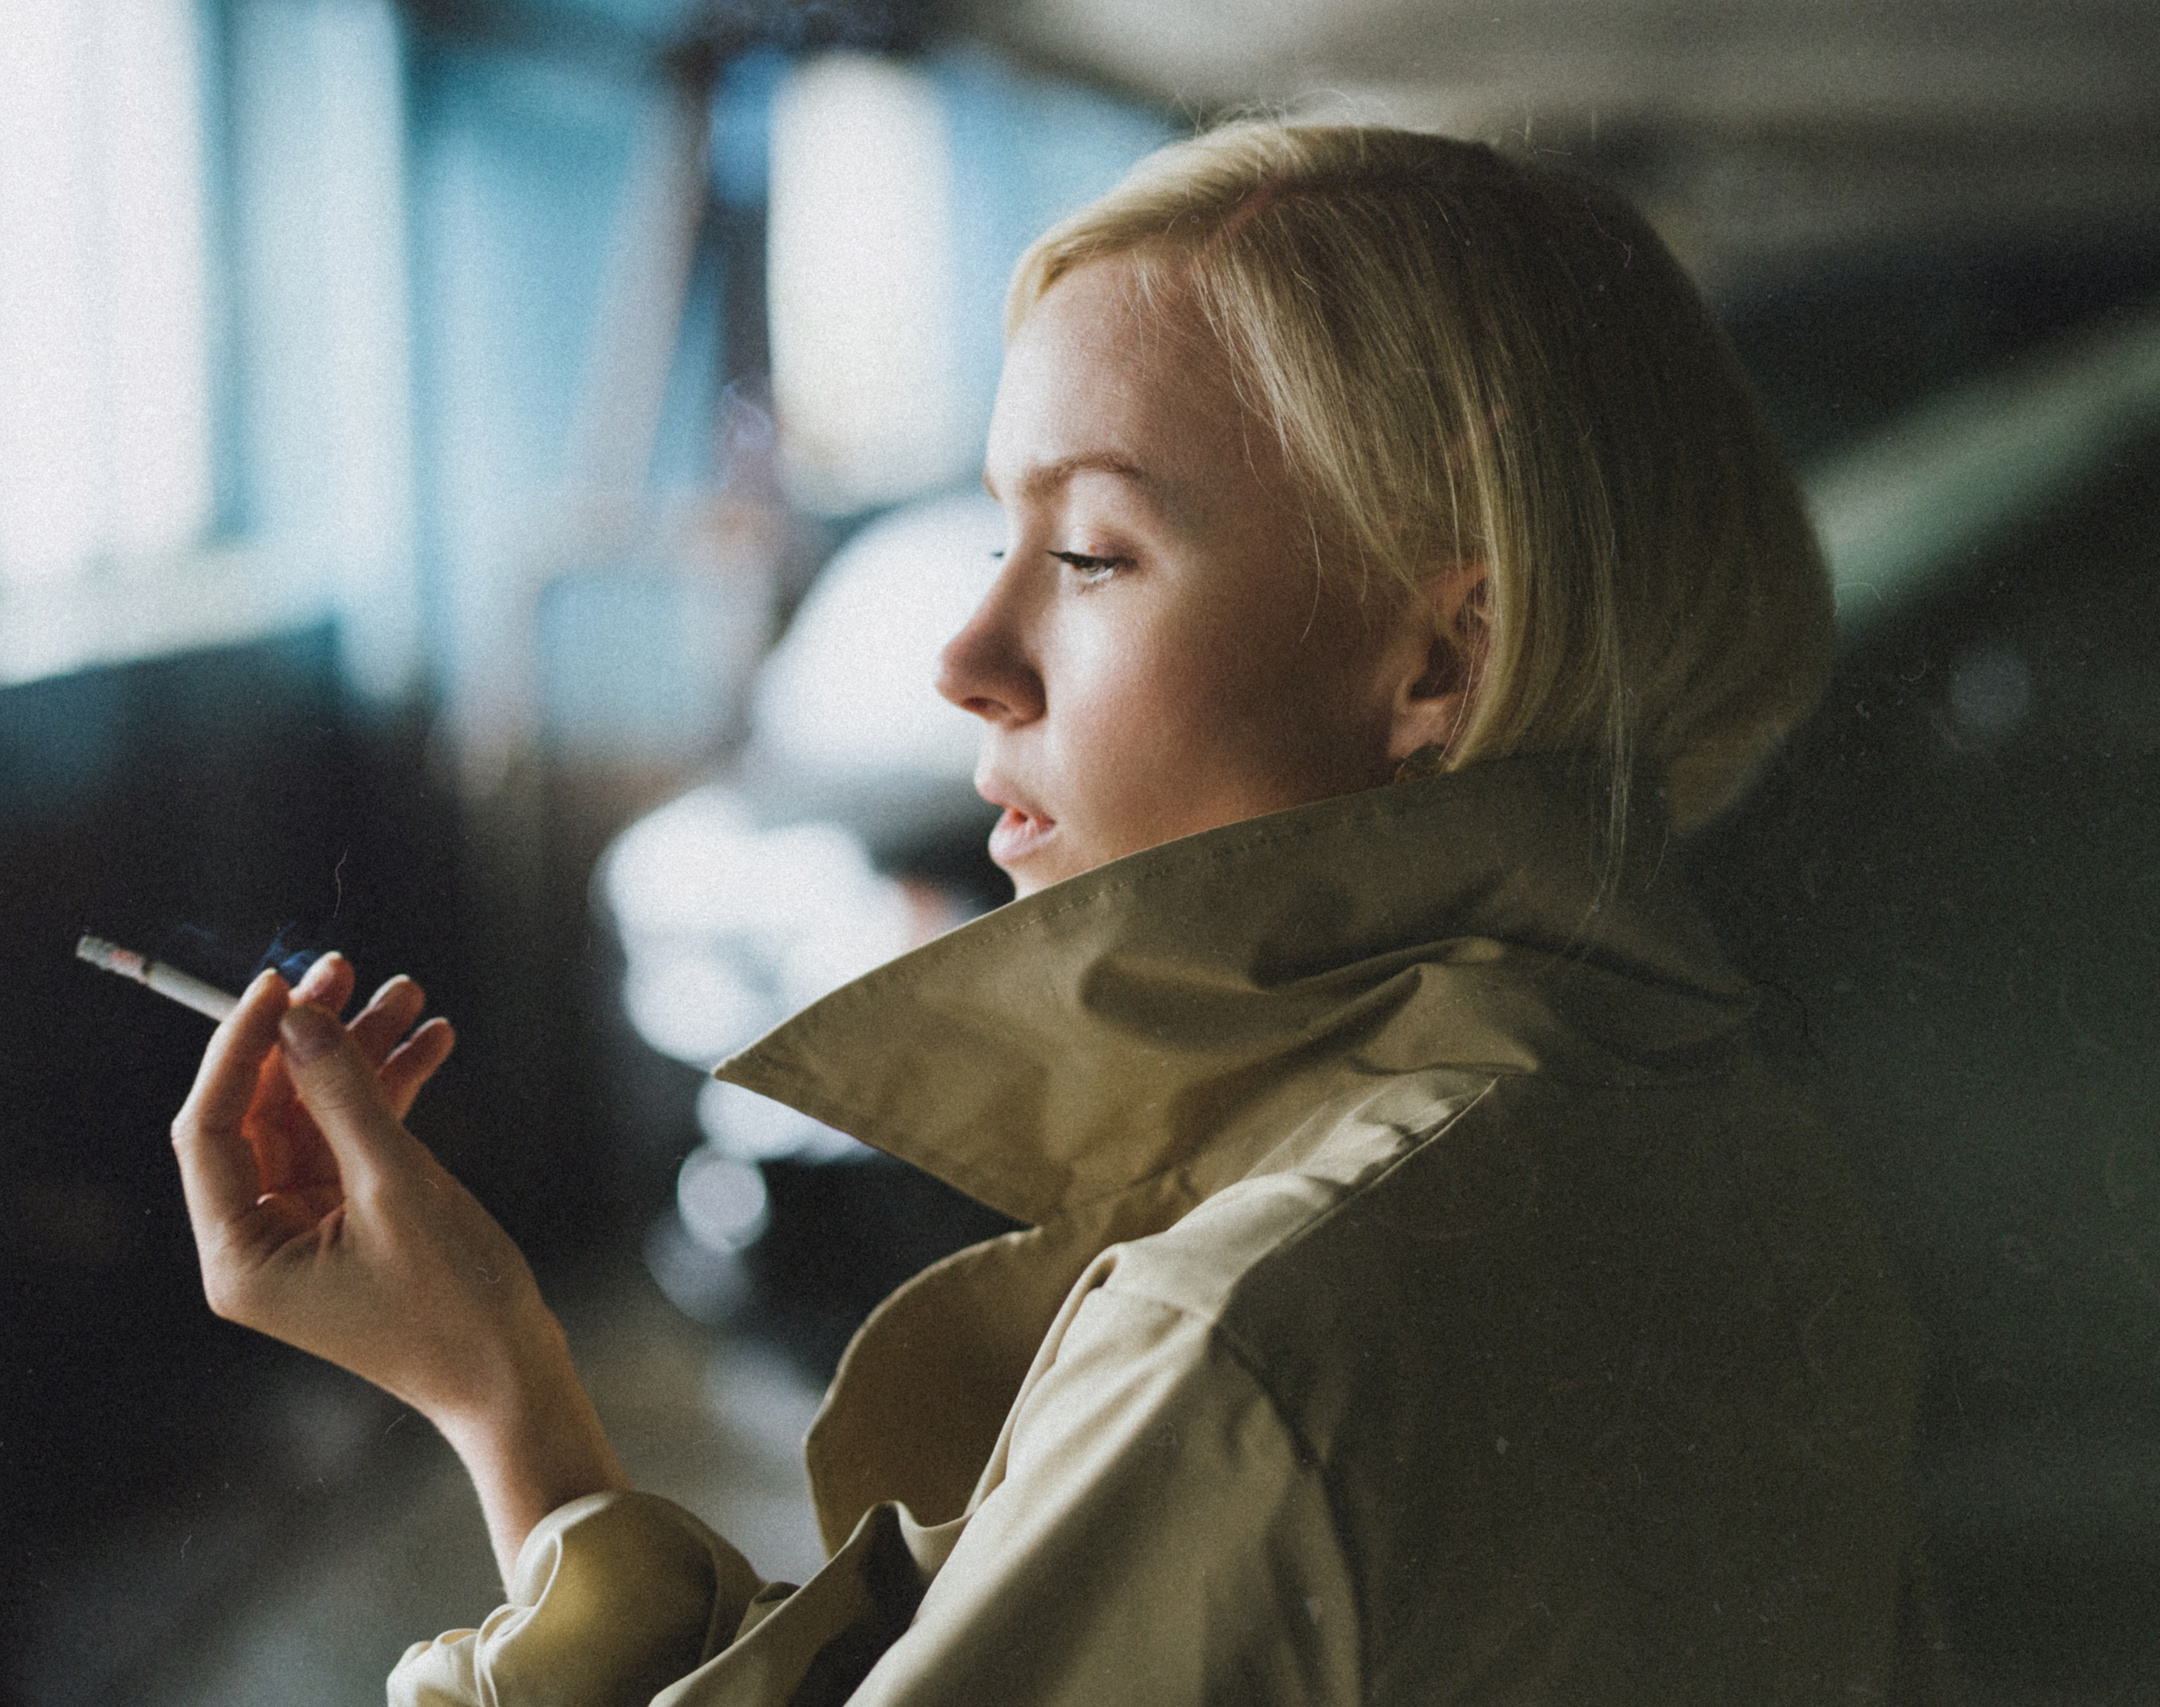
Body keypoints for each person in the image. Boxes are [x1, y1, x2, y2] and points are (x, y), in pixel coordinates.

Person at [170, 123, 1944, 1703]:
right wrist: (507, 1393)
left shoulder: (1253, 1331)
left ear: (1440, 662)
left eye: (1090, 553)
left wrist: (499, 1411)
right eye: (996, 541)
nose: (965, 659)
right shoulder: (1731, 1138)